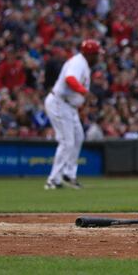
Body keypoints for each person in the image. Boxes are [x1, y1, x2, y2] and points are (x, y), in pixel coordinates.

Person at [44, 39, 101, 190]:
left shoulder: (83, 63)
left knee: (78, 137)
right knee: (67, 142)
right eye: (96, 54)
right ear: (90, 54)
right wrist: (85, 93)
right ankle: (53, 179)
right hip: (59, 102)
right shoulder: (78, 62)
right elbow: (69, 79)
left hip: (69, 105)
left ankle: (68, 174)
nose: (98, 57)